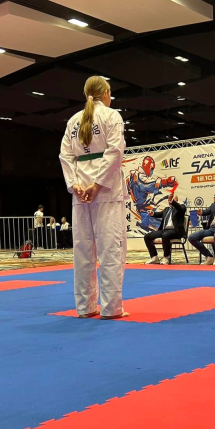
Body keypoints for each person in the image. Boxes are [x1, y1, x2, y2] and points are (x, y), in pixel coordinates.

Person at [59, 75, 128, 319]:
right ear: (106, 93)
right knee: (111, 249)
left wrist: (75, 184)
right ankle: (111, 308)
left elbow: (65, 156)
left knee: (83, 249)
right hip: (106, 190)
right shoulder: (111, 115)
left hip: (80, 190)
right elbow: (115, 152)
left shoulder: (73, 121)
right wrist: (97, 185)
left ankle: (85, 307)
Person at [144, 193, 187, 265]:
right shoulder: (166, 209)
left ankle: (166, 257)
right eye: (169, 200)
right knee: (147, 236)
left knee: (165, 235)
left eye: (173, 200)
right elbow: (159, 214)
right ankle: (154, 257)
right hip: (165, 230)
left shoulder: (181, 208)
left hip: (175, 231)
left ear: (176, 200)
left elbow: (180, 208)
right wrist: (152, 213)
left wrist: (173, 202)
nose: (170, 201)